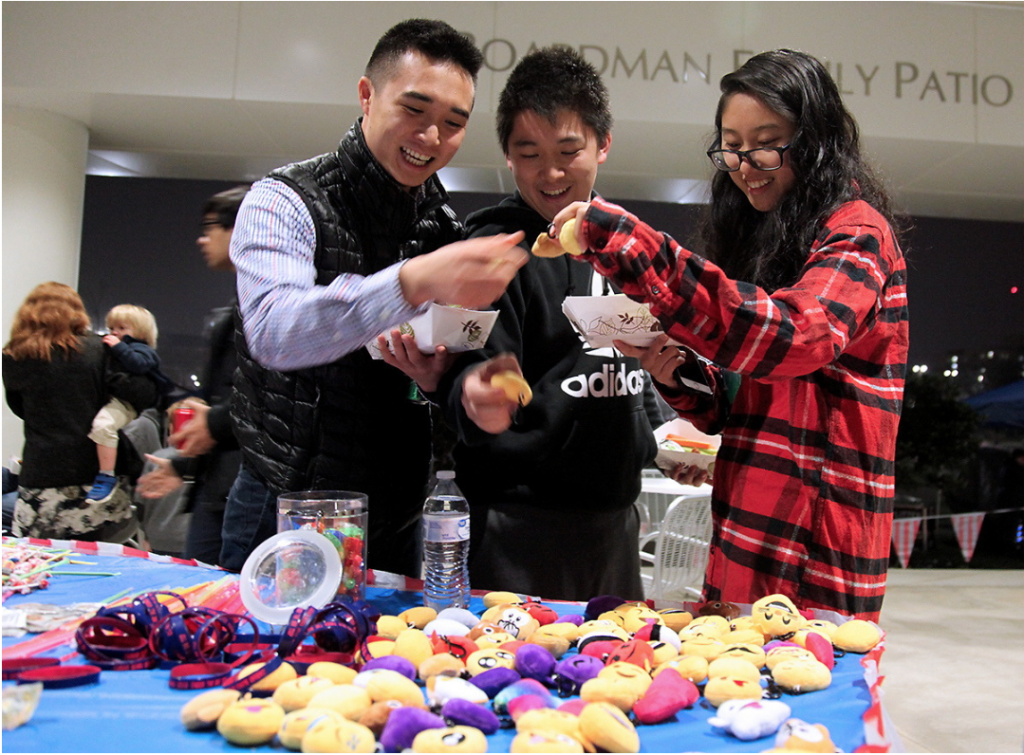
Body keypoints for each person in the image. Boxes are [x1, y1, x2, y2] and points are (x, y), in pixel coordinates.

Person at [550, 49, 909, 621]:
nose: (745, 163)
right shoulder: (772, 238)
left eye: (766, 142)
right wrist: (684, 374)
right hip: (746, 536)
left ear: (816, 140)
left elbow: (794, 338)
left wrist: (626, 240)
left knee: (811, 701)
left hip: (819, 555)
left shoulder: (859, 233)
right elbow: (752, 398)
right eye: (732, 146)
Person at [223, 19, 527, 575]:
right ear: (367, 95)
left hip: (399, 512)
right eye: (415, 110)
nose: (432, 138)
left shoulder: (442, 224)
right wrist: (412, 281)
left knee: (393, 661)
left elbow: (436, 376)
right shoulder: (284, 199)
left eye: (453, 123)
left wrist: (450, 383)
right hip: (288, 505)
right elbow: (273, 330)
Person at [384, 47, 664, 601]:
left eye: (568, 150)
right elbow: (468, 362)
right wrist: (476, 394)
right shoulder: (492, 249)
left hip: (615, 524)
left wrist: (659, 438)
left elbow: (628, 368)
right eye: (528, 152)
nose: (551, 172)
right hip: (517, 529)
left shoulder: (630, 246)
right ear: (508, 158)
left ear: (603, 145)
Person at [135, 185, 249, 563]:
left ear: (238, 230)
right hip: (223, 487)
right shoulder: (241, 304)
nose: (203, 238)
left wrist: (211, 422)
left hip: (240, 492)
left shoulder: (259, 307)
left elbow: (265, 400)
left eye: (210, 226)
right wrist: (184, 464)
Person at [3, 282, 159, 540]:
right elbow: (142, 393)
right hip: (96, 475)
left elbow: (19, 408)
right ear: (76, 312)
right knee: (110, 563)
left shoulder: (13, 356)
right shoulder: (98, 349)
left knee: (42, 565)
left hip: (40, 475)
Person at [85, 304, 178, 505]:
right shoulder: (113, 350)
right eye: (111, 328)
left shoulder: (142, 351)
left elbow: (140, 364)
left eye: (122, 328)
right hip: (112, 400)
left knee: (104, 426)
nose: (115, 333)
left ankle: (106, 475)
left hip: (125, 403)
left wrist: (119, 348)